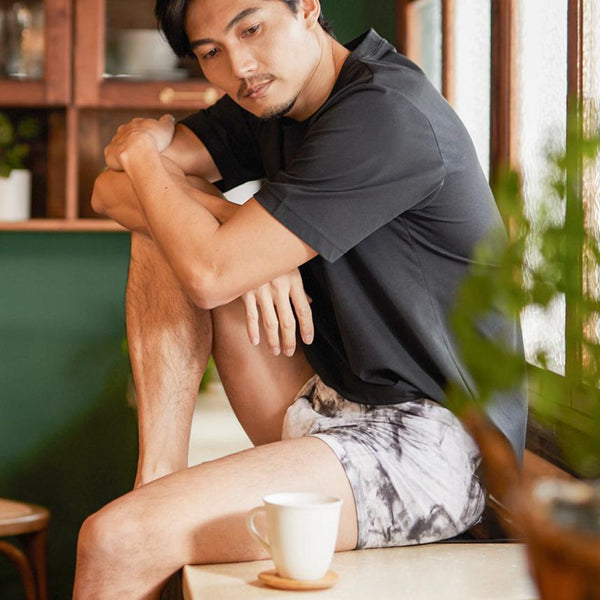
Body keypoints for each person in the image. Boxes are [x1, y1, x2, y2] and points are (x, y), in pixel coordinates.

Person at [73, 0, 527, 598]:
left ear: (308, 7)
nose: (239, 66)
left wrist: (154, 167)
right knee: (163, 222)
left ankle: (151, 508)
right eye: (211, 52)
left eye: (251, 28)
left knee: (115, 540)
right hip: (329, 399)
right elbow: (111, 190)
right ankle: (157, 475)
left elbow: (208, 271)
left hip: (434, 448)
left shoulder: (384, 113)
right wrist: (233, 224)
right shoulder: (271, 100)